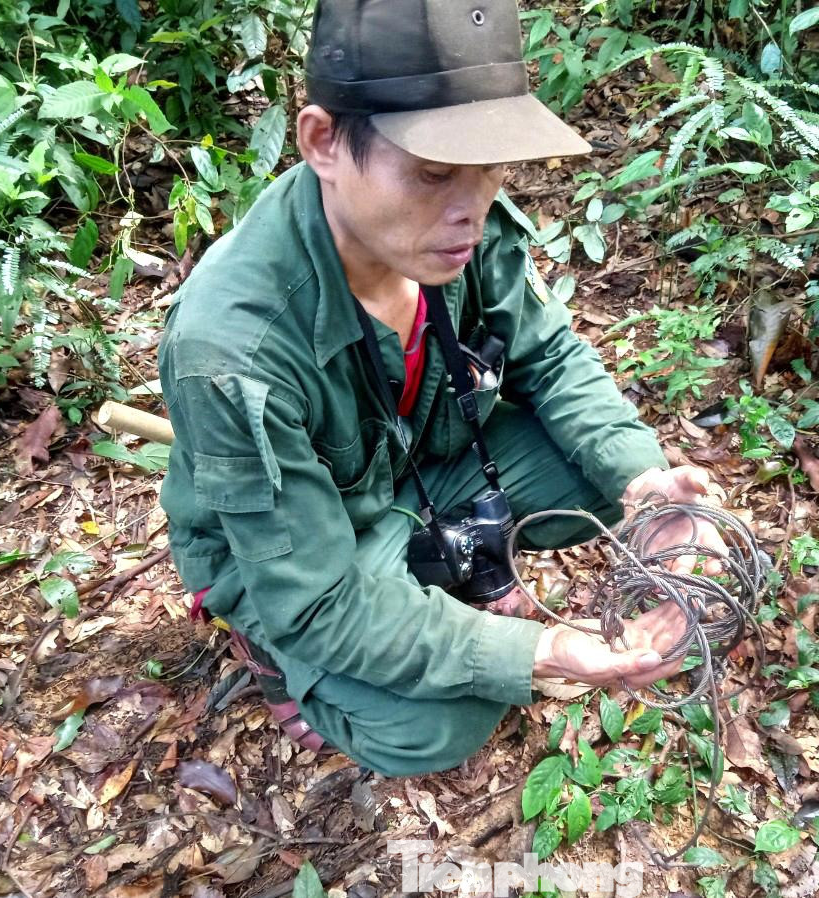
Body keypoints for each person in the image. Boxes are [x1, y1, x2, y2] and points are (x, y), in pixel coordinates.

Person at [158, 0, 728, 776]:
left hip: (423, 472)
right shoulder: (230, 347)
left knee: (597, 479)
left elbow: (551, 358)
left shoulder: (458, 230)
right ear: (323, 141)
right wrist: (543, 650)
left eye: (492, 169)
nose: (472, 208)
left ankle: (430, 574)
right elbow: (318, 596)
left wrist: (645, 483)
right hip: (309, 551)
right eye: (432, 172)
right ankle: (278, 651)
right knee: (439, 724)